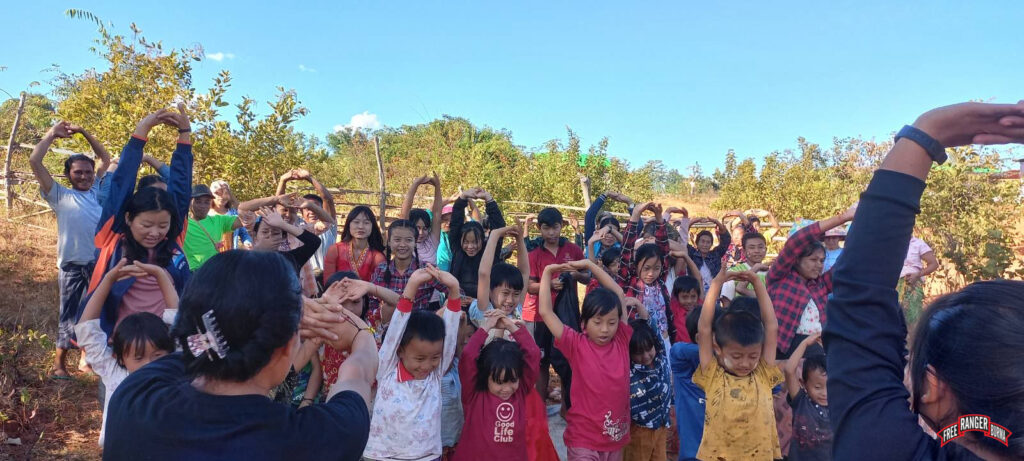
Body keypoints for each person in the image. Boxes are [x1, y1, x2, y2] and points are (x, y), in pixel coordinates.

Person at [828, 101, 1024, 460]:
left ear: (932, 387)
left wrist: (925, 133)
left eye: (911, 358)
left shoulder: (889, 450)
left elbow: (859, 297)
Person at [103, 250, 377, 460]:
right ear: (284, 350)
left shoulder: (135, 397)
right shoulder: (315, 439)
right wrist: (360, 331)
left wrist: (281, 316)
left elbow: (198, 347)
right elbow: (359, 375)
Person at [83, 106, 193, 338]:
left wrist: (184, 134)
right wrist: (143, 128)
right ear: (128, 219)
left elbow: (182, 187)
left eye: (162, 226)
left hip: (164, 345)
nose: (155, 232)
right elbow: (122, 182)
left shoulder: (173, 241)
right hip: (120, 346)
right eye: (146, 225)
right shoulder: (112, 236)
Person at [29, 120, 111, 379]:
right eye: (78, 173)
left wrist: (85, 131)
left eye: (88, 172)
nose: (85, 176)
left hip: (97, 264)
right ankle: (59, 365)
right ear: (68, 175)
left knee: (93, 312)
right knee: (68, 313)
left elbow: (104, 157)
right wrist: (51, 134)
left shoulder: (96, 191)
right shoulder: (58, 194)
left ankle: (86, 360)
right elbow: (35, 161)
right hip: (73, 265)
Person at [362, 266, 464, 461]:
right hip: (382, 456)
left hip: (426, 456)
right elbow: (396, 328)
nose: (426, 366)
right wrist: (412, 285)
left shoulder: (435, 374)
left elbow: (450, 337)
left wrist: (454, 289)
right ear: (400, 350)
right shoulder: (388, 368)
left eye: (435, 358)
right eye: (419, 359)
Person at [539, 258, 634, 460]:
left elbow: (618, 293)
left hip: (614, 438)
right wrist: (547, 273)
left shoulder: (621, 339)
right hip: (583, 439)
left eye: (611, 322)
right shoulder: (576, 344)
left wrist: (591, 266)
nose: (605, 329)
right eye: (597, 322)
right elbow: (546, 312)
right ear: (584, 323)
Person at [75, 258, 176, 447]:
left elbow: (177, 321)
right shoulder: (114, 371)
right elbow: (86, 328)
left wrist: (160, 275)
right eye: (138, 358)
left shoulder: (172, 370)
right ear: (119, 357)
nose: (149, 364)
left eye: (158, 356)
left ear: (170, 352)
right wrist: (107, 280)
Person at [694, 266, 782, 460]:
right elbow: (704, 328)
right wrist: (717, 283)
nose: (745, 363)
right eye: (736, 356)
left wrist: (758, 283)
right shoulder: (712, 374)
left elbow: (771, 326)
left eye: (753, 356)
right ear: (718, 348)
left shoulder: (763, 372)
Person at [766, 205, 855, 359]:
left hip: (816, 349)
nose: (819, 265)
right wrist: (844, 217)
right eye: (813, 259)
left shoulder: (819, 284)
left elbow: (846, 263)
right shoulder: (779, 277)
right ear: (797, 259)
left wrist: (864, 223)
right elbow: (797, 240)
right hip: (783, 348)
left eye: (821, 260)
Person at [453, 309, 540, 461]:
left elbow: (533, 354)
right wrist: (486, 327)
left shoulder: (520, 390)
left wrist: (510, 326)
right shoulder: (474, 393)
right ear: (485, 377)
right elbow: (467, 356)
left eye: (512, 381)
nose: (506, 389)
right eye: (499, 382)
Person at [365, 220, 448, 342]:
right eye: (397, 240)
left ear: (415, 242)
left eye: (408, 240)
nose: (402, 245)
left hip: (418, 333)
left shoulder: (426, 270)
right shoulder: (381, 269)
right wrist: (378, 317)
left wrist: (441, 311)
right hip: (387, 334)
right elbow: (371, 301)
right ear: (389, 242)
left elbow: (454, 291)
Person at [615, 202, 677, 346]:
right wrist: (635, 215)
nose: (651, 273)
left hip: (663, 341)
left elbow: (664, 248)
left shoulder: (660, 281)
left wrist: (659, 218)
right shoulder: (629, 280)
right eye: (646, 268)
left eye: (656, 268)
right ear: (636, 266)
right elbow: (626, 249)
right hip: (638, 344)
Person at [670, 306, 720, 461]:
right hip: (693, 456)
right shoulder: (683, 369)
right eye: (722, 334)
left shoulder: (731, 369)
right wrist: (717, 352)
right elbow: (677, 350)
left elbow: (774, 387)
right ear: (699, 338)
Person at [448, 187, 507, 307]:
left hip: (485, 307)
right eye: (466, 242)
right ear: (460, 241)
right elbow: (455, 222)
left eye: (475, 242)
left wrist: (489, 200)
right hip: (459, 306)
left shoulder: (489, 251)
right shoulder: (457, 249)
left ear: (483, 240)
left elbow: (499, 227)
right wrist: (463, 198)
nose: (470, 247)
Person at [276, 168, 338, 281]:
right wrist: (283, 181)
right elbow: (279, 205)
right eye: (307, 208)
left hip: (327, 279)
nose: (311, 211)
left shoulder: (329, 227)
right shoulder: (297, 228)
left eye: (314, 207)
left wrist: (309, 178)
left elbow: (328, 199)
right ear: (301, 211)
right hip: (303, 281)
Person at [624, 316, 672, 461]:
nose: (646, 356)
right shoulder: (629, 370)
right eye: (638, 352)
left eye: (648, 349)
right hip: (639, 430)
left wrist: (640, 307)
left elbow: (656, 333)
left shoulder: (661, 358)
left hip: (661, 425)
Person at [469, 225, 530, 331]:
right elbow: (484, 273)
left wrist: (519, 239)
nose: (510, 300)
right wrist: (494, 235)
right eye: (505, 293)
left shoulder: (517, 311)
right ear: (490, 291)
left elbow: (525, 273)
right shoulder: (486, 312)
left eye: (516, 294)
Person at [783, 333, 831, 461]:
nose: (824, 393)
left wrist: (831, 349)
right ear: (803, 383)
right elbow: (789, 370)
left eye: (829, 387)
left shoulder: (839, 403)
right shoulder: (801, 401)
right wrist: (804, 344)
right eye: (817, 387)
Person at [183, 184, 242, 271]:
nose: (203, 206)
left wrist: (231, 198)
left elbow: (245, 218)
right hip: (192, 274)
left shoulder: (219, 221)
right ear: (190, 202)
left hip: (213, 272)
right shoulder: (182, 222)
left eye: (207, 202)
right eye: (198, 201)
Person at [323, 205, 387, 283]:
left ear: (372, 227)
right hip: (335, 293)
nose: (361, 226)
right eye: (356, 222)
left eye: (366, 223)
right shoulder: (335, 250)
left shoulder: (377, 257)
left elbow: (378, 287)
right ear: (348, 224)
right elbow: (328, 282)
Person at [250, 208, 322, 275]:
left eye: (276, 233)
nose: (270, 235)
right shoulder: (244, 260)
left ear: (282, 237)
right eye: (265, 232)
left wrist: (282, 224)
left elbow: (314, 242)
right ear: (255, 236)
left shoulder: (290, 259)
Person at [400, 173, 444, 266]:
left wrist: (437, 186)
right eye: (417, 228)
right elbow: (404, 213)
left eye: (425, 228)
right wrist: (415, 184)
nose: (421, 233)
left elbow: (437, 213)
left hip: (432, 280)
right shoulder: (406, 242)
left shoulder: (432, 241)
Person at [680, 216, 731, 292]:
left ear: (711, 244)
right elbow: (682, 239)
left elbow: (726, 239)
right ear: (697, 243)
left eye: (708, 242)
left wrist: (716, 222)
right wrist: (693, 222)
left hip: (714, 291)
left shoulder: (716, 254)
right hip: (695, 291)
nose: (705, 244)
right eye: (702, 241)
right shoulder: (691, 254)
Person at [898, 234, 939, 325]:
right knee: (894, 316)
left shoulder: (918, 244)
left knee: (913, 316)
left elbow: (933, 264)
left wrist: (918, 275)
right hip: (893, 285)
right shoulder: (891, 243)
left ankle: (913, 338)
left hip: (912, 284)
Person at [584, 191, 633, 258]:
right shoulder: (592, 243)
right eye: (607, 232)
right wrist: (606, 194)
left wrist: (629, 202)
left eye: (613, 233)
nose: (610, 236)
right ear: (599, 230)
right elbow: (590, 215)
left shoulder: (622, 248)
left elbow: (638, 227)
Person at [208, 180, 252, 250]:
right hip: (211, 256)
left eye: (225, 193)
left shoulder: (234, 213)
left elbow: (244, 233)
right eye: (218, 193)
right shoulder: (206, 214)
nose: (222, 196)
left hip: (230, 255)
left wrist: (247, 242)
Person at [725, 232, 771, 299]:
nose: (757, 251)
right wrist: (755, 269)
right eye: (752, 248)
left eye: (760, 247)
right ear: (744, 252)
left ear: (766, 250)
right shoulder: (733, 272)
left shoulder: (773, 274)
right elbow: (726, 301)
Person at [668, 274, 702, 344]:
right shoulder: (674, 309)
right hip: (681, 352)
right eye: (684, 297)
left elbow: (699, 278)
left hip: (699, 349)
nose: (689, 301)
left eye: (693, 297)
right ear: (677, 298)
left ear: (698, 297)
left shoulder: (701, 308)